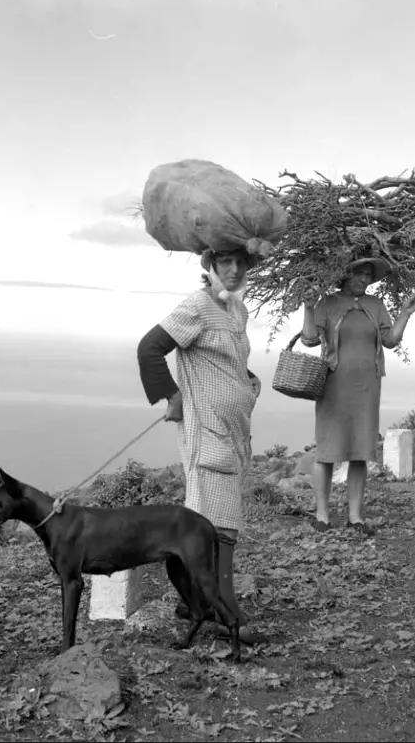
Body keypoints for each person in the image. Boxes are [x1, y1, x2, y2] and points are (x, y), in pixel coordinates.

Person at [136, 246, 264, 642]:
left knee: (206, 522)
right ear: (210, 266)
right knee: (219, 527)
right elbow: (149, 348)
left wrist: (246, 382)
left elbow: (229, 361)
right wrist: (171, 396)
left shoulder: (237, 311)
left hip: (232, 430)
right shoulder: (195, 306)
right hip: (207, 431)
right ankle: (228, 615)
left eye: (241, 263)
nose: (234, 269)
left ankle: (193, 600)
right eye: (226, 262)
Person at [300, 256, 415, 534]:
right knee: (327, 450)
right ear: (345, 273)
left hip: (367, 386)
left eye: (369, 275)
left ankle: (355, 516)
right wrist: (308, 308)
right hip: (333, 385)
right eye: (360, 274)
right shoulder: (328, 303)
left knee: (360, 451)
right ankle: (322, 515)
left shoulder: (376, 305)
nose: (365, 280)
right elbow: (308, 339)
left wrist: (405, 313)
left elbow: (390, 341)